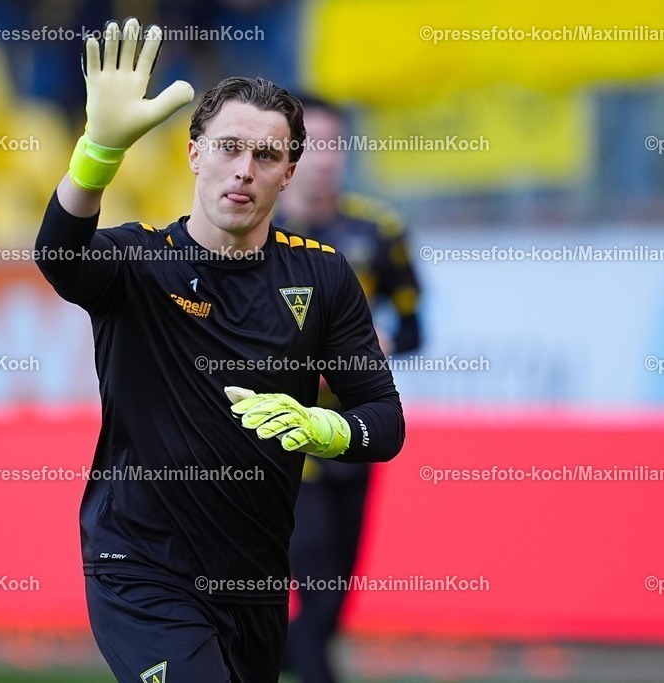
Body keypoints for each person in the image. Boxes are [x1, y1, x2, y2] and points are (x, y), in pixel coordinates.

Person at [34, 19, 405, 682]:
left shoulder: (322, 276)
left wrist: (327, 427)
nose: (244, 169)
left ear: (289, 172)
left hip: (254, 577)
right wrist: (96, 152)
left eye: (265, 155)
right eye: (229, 147)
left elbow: (383, 419)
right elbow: (58, 256)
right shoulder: (138, 263)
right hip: (141, 565)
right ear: (194, 153)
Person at [276, 94, 422, 683]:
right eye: (313, 144)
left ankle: (246, 655)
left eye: (336, 143)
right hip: (287, 439)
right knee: (314, 592)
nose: (325, 159)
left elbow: (415, 327)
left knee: (334, 600)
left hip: (357, 433)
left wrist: (383, 341)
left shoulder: (377, 231)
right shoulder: (254, 226)